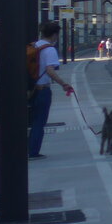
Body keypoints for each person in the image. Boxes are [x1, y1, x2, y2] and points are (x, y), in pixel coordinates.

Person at [28, 21, 74, 160]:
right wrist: (64, 84)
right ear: (54, 34)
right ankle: (33, 152)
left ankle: (29, 148)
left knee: (32, 120)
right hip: (43, 90)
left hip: (31, 89)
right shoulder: (50, 50)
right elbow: (50, 71)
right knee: (39, 122)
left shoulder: (34, 45)